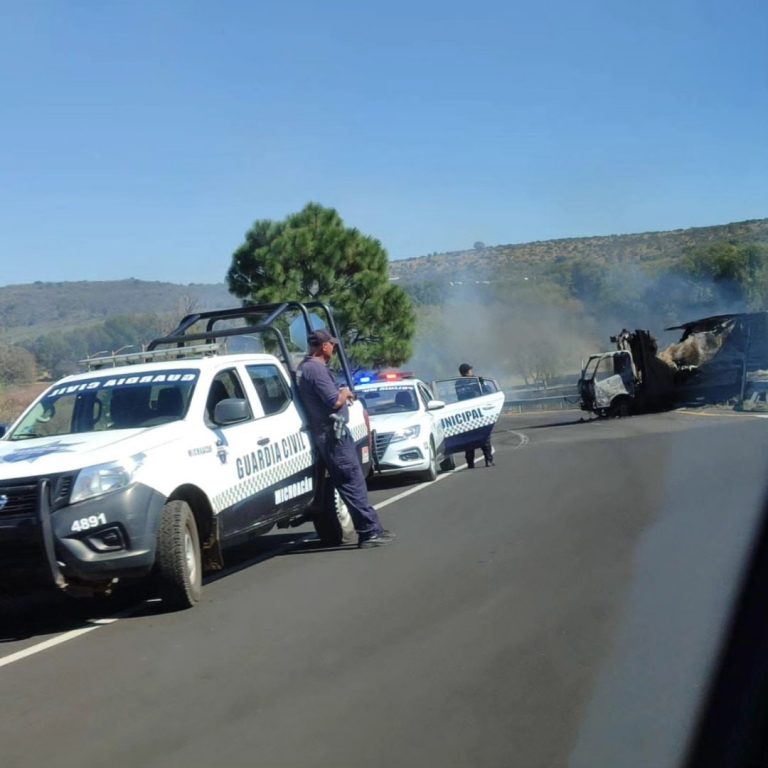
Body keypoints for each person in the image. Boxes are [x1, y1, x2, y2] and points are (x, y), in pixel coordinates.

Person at [299, 330, 395, 548]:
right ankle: (369, 532)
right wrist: (344, 393)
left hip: (331, 434)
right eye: (331, 344)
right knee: (352, 482)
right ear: (324, 346)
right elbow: (333, 401)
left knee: (351, 481)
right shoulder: (315, 369)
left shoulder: (309, 368)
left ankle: (373, 528)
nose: (333, 348)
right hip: (333, 436)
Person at [458, 362, 494, 468]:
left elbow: (489, 391)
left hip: (475, 412)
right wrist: (476, 384)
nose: (471, 372)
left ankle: (486, 460)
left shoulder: (474, 380)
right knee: (474, 438)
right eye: (470, 370)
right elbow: (464, 394)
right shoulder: (461, 383)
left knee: (482, 437)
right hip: (471, 413)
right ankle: (472, 462)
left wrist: (482, 383)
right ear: (466, 372)